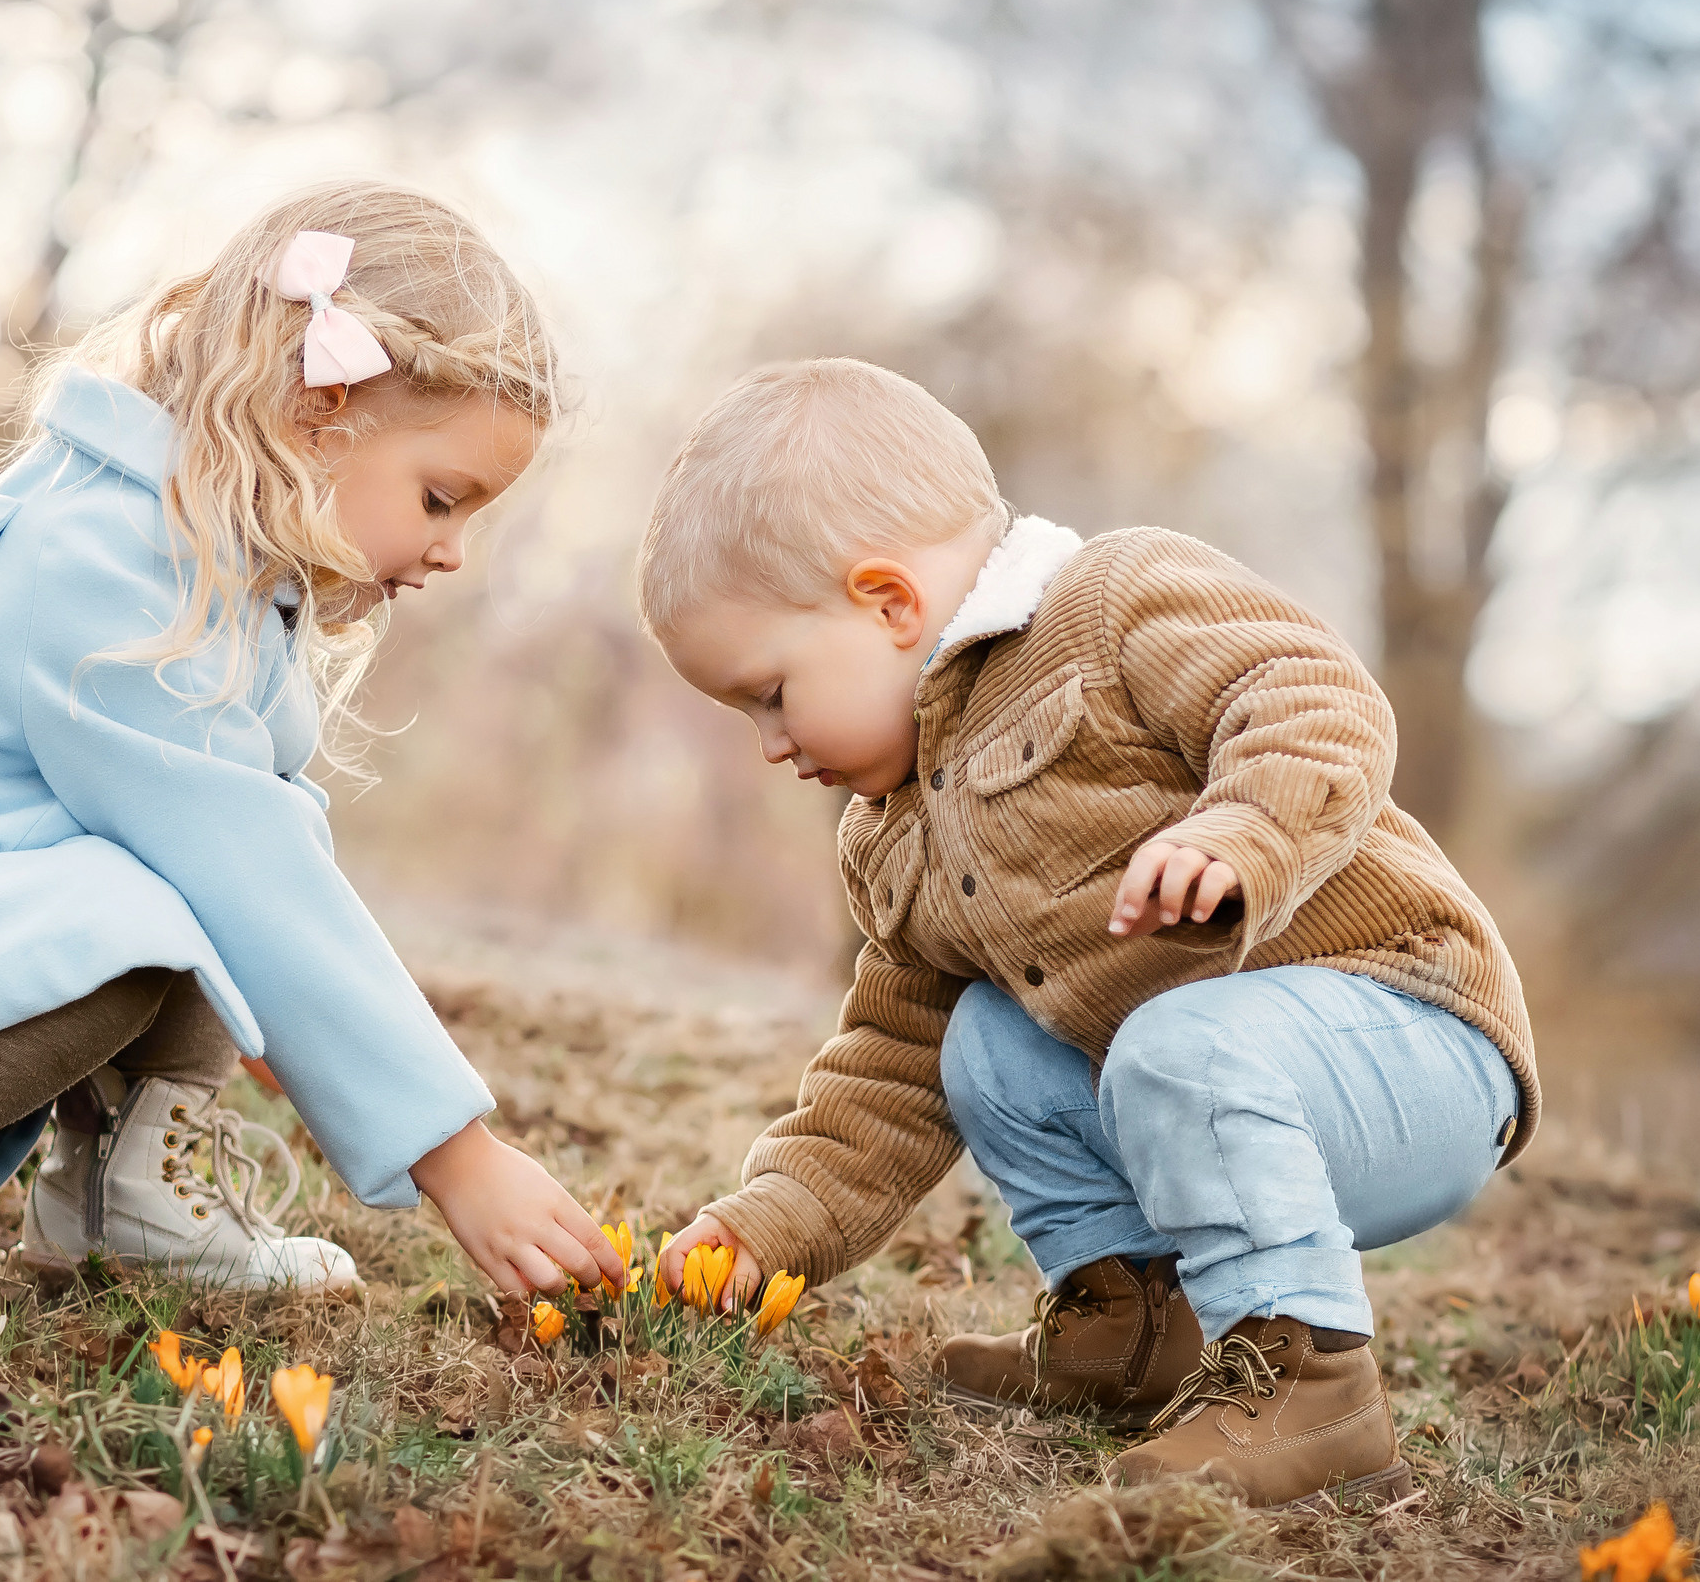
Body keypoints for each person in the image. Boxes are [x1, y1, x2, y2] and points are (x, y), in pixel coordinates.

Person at [0, 182, 622, 1361]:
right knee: (180, 888)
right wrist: (453, 1154)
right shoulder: (106, 563)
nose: (454, 550)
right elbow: (239, 871)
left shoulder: (188, 559)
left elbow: (247, 846)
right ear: (319, 410)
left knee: (204, 869)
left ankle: (130, 1200)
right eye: (438, 498)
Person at [638, 358, 1534, 1508]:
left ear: (887, 603)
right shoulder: (895, 834)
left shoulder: (1111, 605)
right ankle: (1137, 1323)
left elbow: (1312, 695)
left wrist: (1239, 835)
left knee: (1176, 1044)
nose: (769, 742)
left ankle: (1312, 1379)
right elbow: (887, 1071)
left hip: (1411, 1046)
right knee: (980, 1042)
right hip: (1221, 1099)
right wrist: (767, 1228)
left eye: (769, 693)